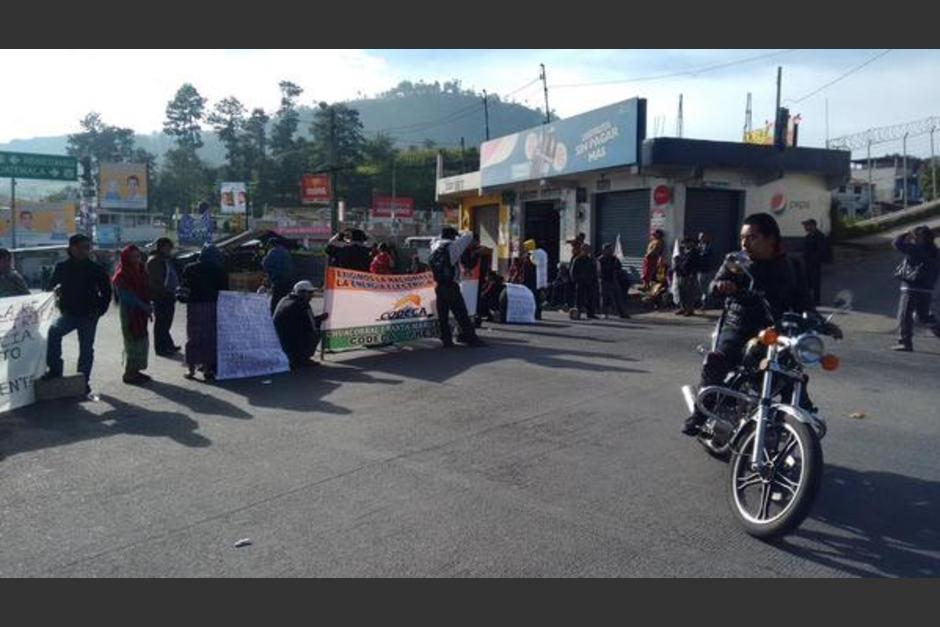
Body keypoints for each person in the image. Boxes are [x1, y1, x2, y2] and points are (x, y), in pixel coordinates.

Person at [682, 213, 841, 436]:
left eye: (752, 237)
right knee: (718, 359)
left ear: (771, 239)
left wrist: (822, 323)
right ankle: (700, 415)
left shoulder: (793, 265)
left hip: (777, 330)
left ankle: (802, 422)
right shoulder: (736, 261)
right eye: (742, 238)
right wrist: (721, 286)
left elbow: (804, 303)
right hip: (739, 325)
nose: (744, 243)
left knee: (792, 372)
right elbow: (712, 287)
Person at [40, 234, 112, 394]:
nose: (84, 251)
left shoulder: (96, 268)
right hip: (69, 314)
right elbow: (50, 286)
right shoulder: (61, 267)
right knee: (53, 332)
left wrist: (99, 311)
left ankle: (83, 381)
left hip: (89, 316)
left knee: (86, 349)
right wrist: (52, 291)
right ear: (71, 248)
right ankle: (55, 371)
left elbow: (107, 293)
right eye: (81, 247)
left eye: (87, 247)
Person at [429, 226, 484, 347]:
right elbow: (469, 235)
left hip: (438, 285)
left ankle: (446, 341)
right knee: (461, 313)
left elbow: (436, 238)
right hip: (451, 286)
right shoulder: (452, 247)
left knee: (443, 315)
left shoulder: (434, 245)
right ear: (452, 236)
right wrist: (458, 233)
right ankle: (471, 338)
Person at [182, 244, 229, 381]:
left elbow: (185, 286)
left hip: (194, 305)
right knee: (210, 337)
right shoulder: (219, 269)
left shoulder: (190, 268)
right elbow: (224, 290)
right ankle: (208, 369)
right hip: (212, 305)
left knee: (194, 335)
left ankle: (191, 369)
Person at [890, 226, 940, 352]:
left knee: (905, 315)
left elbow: (896, 243)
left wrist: (906, 232)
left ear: (921, 238)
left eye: (915, 236)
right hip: (927, 289)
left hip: (911, 288)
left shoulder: (916, 249)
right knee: (924, 316)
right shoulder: (936, 252)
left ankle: (905, 342)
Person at [112, 245, 153, 385]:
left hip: (141, 312)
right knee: (133, 342)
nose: (137, 260)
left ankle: (136, 371)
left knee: (142, 341)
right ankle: (129, 373)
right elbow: (126, 296)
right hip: (130, 313)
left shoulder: (141, 270)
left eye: (138, 256)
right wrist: (144, 306)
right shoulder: (122, 274)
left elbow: (146, 288)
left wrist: (148, 305)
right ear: (126, 259)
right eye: (133, 257)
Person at [273, 280, 329, 369]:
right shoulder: (303, 304)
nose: (312, 295)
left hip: (278, 341)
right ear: (301, 293)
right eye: (310, 292)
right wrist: (322, 318)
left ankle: (296, 358)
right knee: (316, 333)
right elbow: (311, 325)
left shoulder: (284, 299)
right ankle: (302, 359)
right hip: (291, 342)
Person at [146, 237, 181, 356]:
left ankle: (167, 344)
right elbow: (155, 281)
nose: (170, 250)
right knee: (162, 322)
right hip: (161, 295)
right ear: (162, 247)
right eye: (168, 247)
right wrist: (162, 292)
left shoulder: (165, 259)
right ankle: (161, 348)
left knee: (166, 322)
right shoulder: (155, 260)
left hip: (168, 294)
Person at [262, 239, 294, 315]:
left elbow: (265, 263)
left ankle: (275, 317)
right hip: (289, 281)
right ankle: (285, 314)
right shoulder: (286, 252)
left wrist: (270, 274)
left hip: (278, 281)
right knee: (285, 299)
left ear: (271, 245)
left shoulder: (273, 252)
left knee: (275, 301)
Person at [802, 219, 829, 306]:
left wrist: (814, 260)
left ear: (813, 225)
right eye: (805, 225)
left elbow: (822, 250)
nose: (805, 227)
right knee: (807, 282)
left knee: (815, 282)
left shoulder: (820, 236)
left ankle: (817, 300)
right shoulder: (808, 237)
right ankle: (808, 299)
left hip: (815, 264)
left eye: (807, 225)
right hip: (807, 263)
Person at [598, 243, 629, 318]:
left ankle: (621, 313)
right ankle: (604, 313)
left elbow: (619, 268)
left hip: (613, 280)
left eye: (610, 249)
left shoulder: (614, 259)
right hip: (604, 280)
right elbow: (598, 270)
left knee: (617, 297)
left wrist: (616, 271)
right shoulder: (600, 259)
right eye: (608, 249)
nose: (610, 251)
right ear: (604, 250)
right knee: (604, 297)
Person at [673, 237, 701, 316]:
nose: (685, 245)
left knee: (689, 293)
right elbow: (679, 261)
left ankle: (690, 310)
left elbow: (696, 265)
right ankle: (682, 308)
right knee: (681, 293)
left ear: (690, 243)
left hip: (689, 275)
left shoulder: (695, 252)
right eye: (684, 243)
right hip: (681, 274)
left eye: (686, 243)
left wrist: (693, 274)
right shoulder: (682, 252)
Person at [570, 243, 598, 319]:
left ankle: (590, 314)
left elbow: (594, 271)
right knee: (579, 299)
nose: (586, 251)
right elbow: (573, 271)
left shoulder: (590, 260)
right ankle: (577, 314)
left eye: (588, 250)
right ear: (581, 250)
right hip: (580, 282)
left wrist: (594, 280)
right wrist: (576, 280)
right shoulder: (577, 259)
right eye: (585, 250)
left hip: (589, 282)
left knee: (590, 298)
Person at [521, 239, 543, 321]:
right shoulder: (534, 255)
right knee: (535, 297)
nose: (524, 248)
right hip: (533, 279)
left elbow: (528, 269)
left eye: (525, 246)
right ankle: (536, 313)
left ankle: (535, 313)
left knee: (534, 297)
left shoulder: (531, 256)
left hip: (531, 279)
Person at [696, 232, 714, 309]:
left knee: (706, 287)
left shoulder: (709, 246)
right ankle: (703, 302)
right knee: (701, 287)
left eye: (702, 237)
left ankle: (707, 303)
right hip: (700, 270)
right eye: (700, 237)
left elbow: (705, 255)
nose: (701, 239)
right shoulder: (699, 246)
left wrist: (699, 252)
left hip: (707, 270)